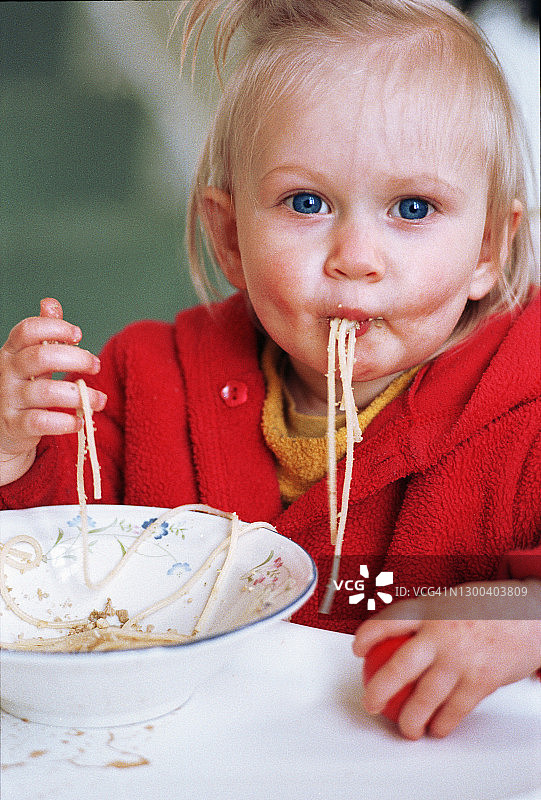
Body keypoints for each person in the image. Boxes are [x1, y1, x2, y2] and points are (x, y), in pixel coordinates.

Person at [0, 0, 539, 740]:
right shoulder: (145, 381)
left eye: (412, 207)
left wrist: (518, 619)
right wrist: (15, 449)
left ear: (488, 250)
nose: (355, 256)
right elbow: (49, 563)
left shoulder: (526, 409)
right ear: (228, 236)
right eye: (306, 202)